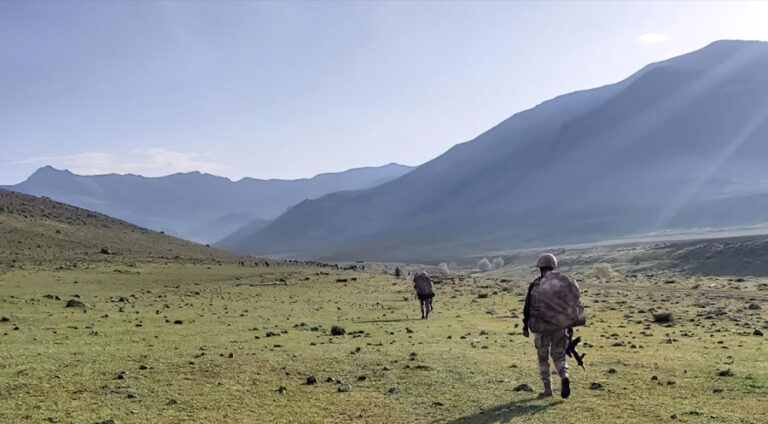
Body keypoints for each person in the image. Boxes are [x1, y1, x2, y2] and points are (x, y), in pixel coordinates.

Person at [522, 253, 583, 399]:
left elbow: (527, 307)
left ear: (540, 268)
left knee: (543, 359)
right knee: (559, 356)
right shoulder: (563, 284)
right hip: (560, 327)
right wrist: (570, 326)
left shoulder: (536, 285)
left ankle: (547, 390)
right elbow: (571, 306)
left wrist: (525, 326)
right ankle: (565, 376)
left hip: (542, 328)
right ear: (553, 266)